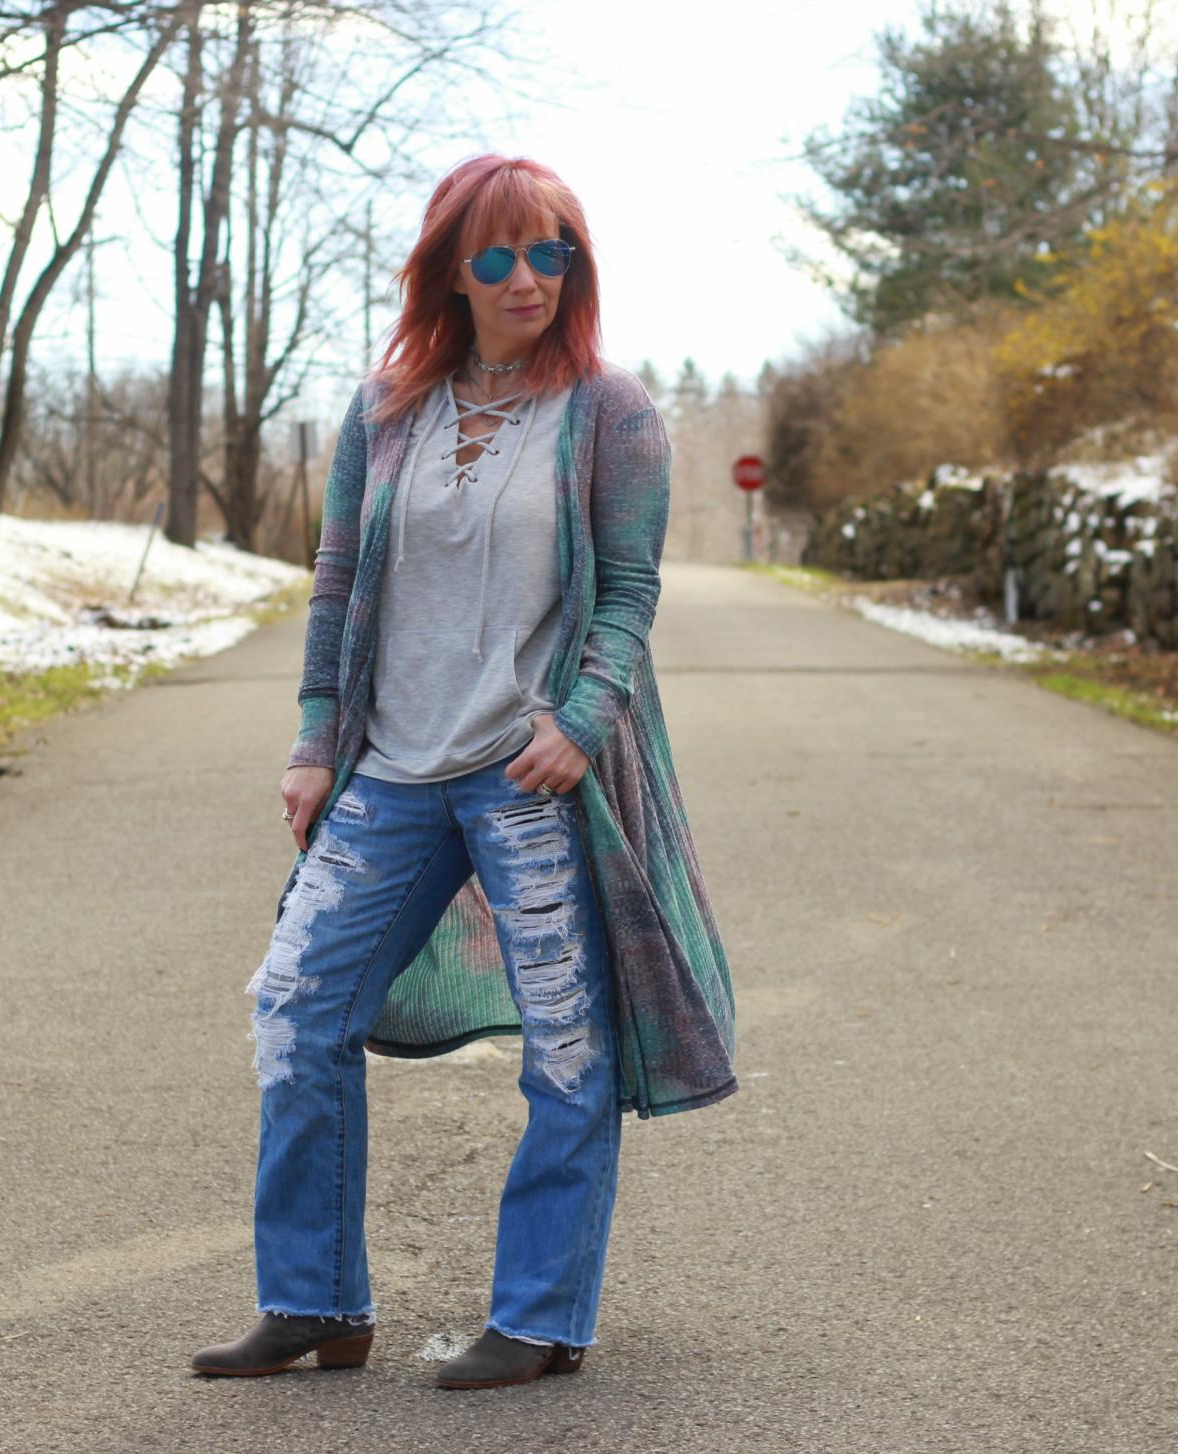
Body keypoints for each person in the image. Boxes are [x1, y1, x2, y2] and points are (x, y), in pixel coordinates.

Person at [191, 154, 737, 1392]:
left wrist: (583, 720)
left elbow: (630, 590)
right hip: (392, 768)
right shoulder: (387, 408)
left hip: (524, 770)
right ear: (452, 269)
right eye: (497, 256)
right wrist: (316, 738)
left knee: (566, 1044)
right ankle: (315, 1299)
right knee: (294, 1010)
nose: (527, 277)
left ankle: (542, 1316)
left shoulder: (611, 411)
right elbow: (337, 582)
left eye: (552, 252)